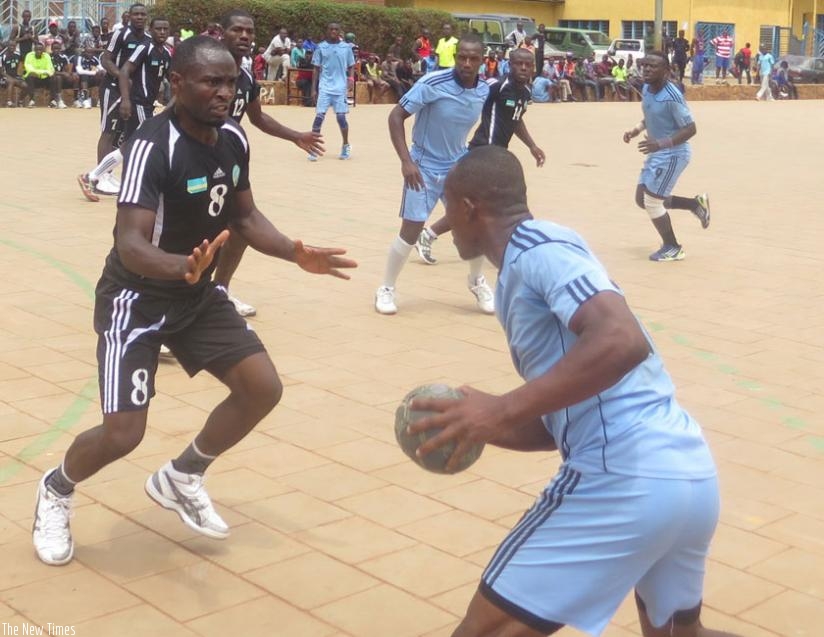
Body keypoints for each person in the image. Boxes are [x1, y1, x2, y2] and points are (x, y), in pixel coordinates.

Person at [31, 34, 356, 568]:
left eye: (229, 81)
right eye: (211, 81)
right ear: (177, 83)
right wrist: (180, 266)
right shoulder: (150, 148)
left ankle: (182, 475)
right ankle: (57, 488)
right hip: (135, 300)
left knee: (261, 388)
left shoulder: (233, 138)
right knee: (123, 434)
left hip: (196, 294)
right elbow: (130, 243)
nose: (225, 92)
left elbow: (245, 217)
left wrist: (293, 253)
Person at [407, 144, 740, 637]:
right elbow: (577, 411)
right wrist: (482, 426)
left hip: (622, 476)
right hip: (686, 475)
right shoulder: (526, 264)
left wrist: (502, 408)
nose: (444, 217)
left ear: (469, 207)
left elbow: (623, 340)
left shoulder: (539, 247)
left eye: (447, 204)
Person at [213, 10, 325, 316]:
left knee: (239, 228)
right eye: (237, 30)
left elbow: (257, 117)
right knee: (190, 232)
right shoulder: (204, 70)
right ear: (221, 33)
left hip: (227, 163)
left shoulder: (246, 77)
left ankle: (219, 290)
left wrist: (295, 136)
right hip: (193, 161)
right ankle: (169, 305)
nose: (245, 36)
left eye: (249, 31)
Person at [374, 33, 493, 316]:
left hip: (457, 166)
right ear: (455, 56)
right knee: (411, 231)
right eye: (461, 56)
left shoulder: (484, 90)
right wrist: (406, 161)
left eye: (473, 58)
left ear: (481, 61)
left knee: (477, 223)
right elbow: (395, 116)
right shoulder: (432, 83)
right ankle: (386, 288)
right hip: (423, 166)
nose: (466, 62)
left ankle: (476, 281)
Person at [415, 48, 546, 267]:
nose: (523, 68)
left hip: (498, 156)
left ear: (533, 67)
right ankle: (429, 235)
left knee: (492, 204)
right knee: (483, 204)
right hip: (481, 151)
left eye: (528, 64)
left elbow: (516, 120)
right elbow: (471, 95)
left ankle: (435, 235)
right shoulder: (497, 85)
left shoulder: (524, 93)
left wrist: (532, 145)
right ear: (509, 65)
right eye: (518, 64)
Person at [623, 52, 710, 262]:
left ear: (667, 71)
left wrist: (660, 143)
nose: (647, 69)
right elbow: (652, 114)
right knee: (641, 199)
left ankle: (673, 247)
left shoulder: (672, 96)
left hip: (673, 153)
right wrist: (636, 129)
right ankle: (694, 205)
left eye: (653, 67)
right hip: (657, 151)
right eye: (644, 65)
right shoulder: (646, 87)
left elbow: (691, 129)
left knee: (652, 202)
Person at [77, 17, 169, 203]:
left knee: (128, 145)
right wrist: (126, 100)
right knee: (147, 141)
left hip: (148, 105)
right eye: (158, 28)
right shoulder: (145, 48)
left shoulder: (166, 53)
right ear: (151, 30)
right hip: (138, 103)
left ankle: (93, 176)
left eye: (165, 29)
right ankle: (98, 176)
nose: (162, 32)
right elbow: (125, 71)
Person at [93, 3, 150, 196]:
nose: (140, 17)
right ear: (129, 16)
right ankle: (98, 178)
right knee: (108, 130)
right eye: (136, 14)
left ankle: (107, 173)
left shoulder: (148, 40)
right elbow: (105, 59)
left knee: (121, 132)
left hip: (131, 92)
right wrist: (120, 76)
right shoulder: (121, 34)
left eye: (143, 14)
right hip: (112, 87)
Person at [309, 22, 355, 161]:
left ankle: (345, 145)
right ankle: (313, 148)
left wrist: (351, 79)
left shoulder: (346, 48)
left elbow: (351, 65)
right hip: (325, 87)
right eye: (331, 29)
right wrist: (313, 89)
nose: (333, 31)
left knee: (341, 118)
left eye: (336, 29)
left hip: (340, 88)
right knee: (318, 118)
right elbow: (316, 69)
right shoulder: (321, 47)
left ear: (339, 31)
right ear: (327, 31)